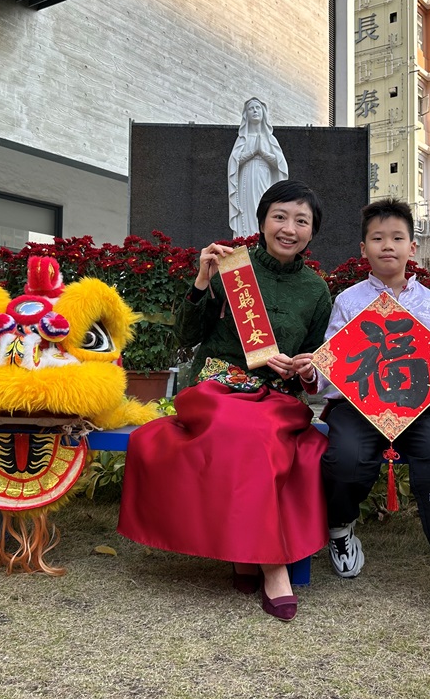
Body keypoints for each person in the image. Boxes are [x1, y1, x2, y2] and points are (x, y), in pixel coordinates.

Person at [118, 180, 332, 622]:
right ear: (262, 220)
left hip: (276, 396)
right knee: (246, 432)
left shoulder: (316, 290)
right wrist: (202, 280)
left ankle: (245, 554)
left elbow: (315, 361)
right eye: (280, 216)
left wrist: (302, 367)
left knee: (263, 434)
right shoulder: (233, 268)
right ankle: (273, 566)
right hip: (219, 387)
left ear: (312, 232)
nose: (289, 228)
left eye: (301, 221)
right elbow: (187, 335)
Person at [319, 198, 430, 620]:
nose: (388, 246)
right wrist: (314, 370)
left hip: (420, 408)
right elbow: (332, 365)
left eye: (397, 238)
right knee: (345, 458)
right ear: (363, 248)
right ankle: (341, 528)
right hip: (358, 406)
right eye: (377, 238)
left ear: (412, 247)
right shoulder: (347, 301)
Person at [228, 98, 289, 237]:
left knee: (264, 206)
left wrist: (263, 153)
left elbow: (280, 164)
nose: (255, 111)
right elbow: (234, 162)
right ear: (246, 115)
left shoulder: (270, 139)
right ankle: (248, 238)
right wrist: (252, 152)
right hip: (247, 177)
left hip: (265, 176)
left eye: (257, 108)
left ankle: (264, 238)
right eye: (251, 109)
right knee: (249, 208)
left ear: (263, 112)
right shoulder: (243, 139)